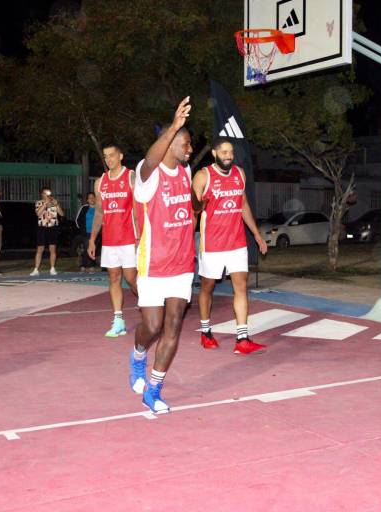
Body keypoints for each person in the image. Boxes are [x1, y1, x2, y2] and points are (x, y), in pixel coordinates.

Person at [129, 96, 194, 414]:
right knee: (151, 327)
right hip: (153, 263)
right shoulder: (147, 174)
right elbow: (151, 159)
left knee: (173, 327)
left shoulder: (186, 171)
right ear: (169, 143)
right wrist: (173, 127)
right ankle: (138, 354)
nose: (190, 149)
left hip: (182, 266)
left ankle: (154, 390)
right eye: (186, 143)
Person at [192, 137, 268, 355]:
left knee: (241, 287)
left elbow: (243, 204)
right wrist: (188, 241)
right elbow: (193, 211)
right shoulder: (203, 176)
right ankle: (205, 332)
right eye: (224, 151)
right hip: (213, 244)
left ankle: (242, 338)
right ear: (214, 154)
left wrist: (257, 235)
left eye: (231, 152)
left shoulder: (239, 174)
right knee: (207, 287)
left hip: (236, 242)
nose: (228, 155)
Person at [88, 144, 139, 336]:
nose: (108, 159)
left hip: (129, 239)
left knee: (132, 279)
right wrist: (93, 239)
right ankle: (118, 320)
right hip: (109, 241)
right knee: (114, 278)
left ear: (121, 156)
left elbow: (138, 209)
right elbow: (99, 213)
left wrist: (139, 236)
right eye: (105, 156)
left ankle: (151, 310)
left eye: (111, 155)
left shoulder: (131, 177)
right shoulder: (100, 182)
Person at [30, 186, 64, 276]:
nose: (48, 195)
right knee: (40, 249)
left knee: (52, 248)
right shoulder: (39, 202)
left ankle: (52, 268)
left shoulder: (54, 202)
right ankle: (36, 269)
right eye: (45, 193)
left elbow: (61, 214)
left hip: (53, 227)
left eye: (49, 193)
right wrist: (45, 204)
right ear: (42, 194)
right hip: (42, 227)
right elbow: (38, 214)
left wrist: (57, 204)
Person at [75, 192, 98, 272]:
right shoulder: (84, 208)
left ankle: (91, 264)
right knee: (86, 248)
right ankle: (84, 265)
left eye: (93, 197)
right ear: (87, 200)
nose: (92, 199)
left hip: (96, 233)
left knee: (93, 248)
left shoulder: (99, 208)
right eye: (90, 198)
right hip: (86, 232)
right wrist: (82, 230)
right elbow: (77, 220)